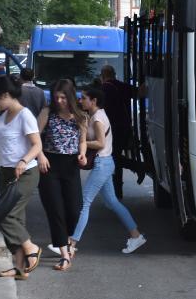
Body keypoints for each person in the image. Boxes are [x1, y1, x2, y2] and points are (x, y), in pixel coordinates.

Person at [0, 75, 43, 280]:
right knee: (16, 219)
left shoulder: (25, 115)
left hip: (25, 173)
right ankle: (20, 268)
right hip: (6, 172)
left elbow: (37, 144)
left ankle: (31, 248)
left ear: (6, 95)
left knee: (4, 214)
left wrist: (23, 161)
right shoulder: (4, 117)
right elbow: (1, 150)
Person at [69, 87, 147, 255]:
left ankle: (71, 244)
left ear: (93, 101)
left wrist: (81, 143)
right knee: (112, 202)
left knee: (85, 203)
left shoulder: (98, 118)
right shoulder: (96, 116)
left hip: (102, 163)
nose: (80, 100)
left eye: (83, 98)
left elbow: (100, 143)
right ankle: (136, 236)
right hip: (105, 163)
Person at [37, 79, 87, 271]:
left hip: (71, 165)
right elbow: (35, 136)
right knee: (55, 210)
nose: (59, 101)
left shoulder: (80, 115)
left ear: (71, 97)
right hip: (49, 164)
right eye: (57, 97)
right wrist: (40, 155)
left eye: (63, 97)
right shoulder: (47, 113)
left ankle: (68, 242)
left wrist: (82, 153)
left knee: (75, 210)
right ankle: (64, 255)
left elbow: (82, 141)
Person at [100, 65, 145, 199]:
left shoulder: (103, 89)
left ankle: (134, 169)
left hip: (109, 129)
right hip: (123, 128)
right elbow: (141, 93)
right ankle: (118, 188)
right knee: (115, 156)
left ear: (102, 75)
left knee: (112, 157)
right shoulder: (123, 86)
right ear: (114, 74)